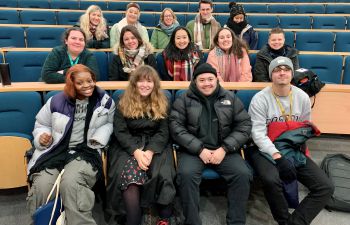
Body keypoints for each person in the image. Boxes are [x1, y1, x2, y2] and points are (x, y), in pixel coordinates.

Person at [247, 57, 334, 225]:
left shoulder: (302, 97)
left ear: (291, 73)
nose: (282, 73)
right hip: (262, 147)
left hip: (291, 147)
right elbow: (257, 134)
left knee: (325, 187)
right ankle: (283, 220)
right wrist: (278, 157)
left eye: (286, 69)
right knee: (272, 179)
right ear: (271, 74)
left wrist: (297, 152)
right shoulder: (260, 99)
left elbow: (304, 127)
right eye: (277, 70)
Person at [27, 64, 115, 225]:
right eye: (80, 83)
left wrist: (98, 138)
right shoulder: (56, 101)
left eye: (90, 80)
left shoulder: (105, 101)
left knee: (71, 183)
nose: (87, 85)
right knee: (43, 185)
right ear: (71, 83)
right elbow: (41, 124)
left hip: (86, 151)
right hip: (54, 150)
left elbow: (109, 124)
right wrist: (41, 137)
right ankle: (43, 221)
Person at [169, 63, 252, 225]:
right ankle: (192, 222)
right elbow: (175, 127)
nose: (207, 83)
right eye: (202, 80)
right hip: (194, 151)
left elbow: (245, 126)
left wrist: (225, 148)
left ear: (216, 79)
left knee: (242, 174)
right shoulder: (184, 99)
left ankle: (236, 222)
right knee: (185, 176)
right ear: (195, 81)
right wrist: (199, 149)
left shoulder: (230, 98)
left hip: (224, 150)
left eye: (210, 79)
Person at [106, 65, 176, 225]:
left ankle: (164, 217)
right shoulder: (123, 101)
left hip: (155, 143)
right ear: (134, 83)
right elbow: (120, 131)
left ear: (155, 84)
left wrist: (150, 151)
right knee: (128, 177)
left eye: (149, 81)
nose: (145, 85)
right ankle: (133, 219)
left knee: (163, 173)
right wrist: (136, 152)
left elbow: (164, 131)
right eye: (141, 81)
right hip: (129, 143)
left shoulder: (163, 101)